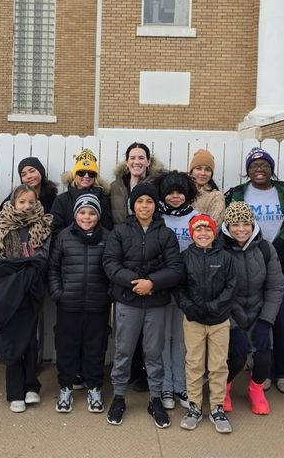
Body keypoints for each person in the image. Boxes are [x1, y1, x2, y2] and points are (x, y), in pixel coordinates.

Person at [224, 147, 284, 394]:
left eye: (264, 165)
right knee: (255, 321)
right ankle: (263, 373)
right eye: (253, 166)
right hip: (249, 269)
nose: (259, 169)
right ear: (247, 171)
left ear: (272, 169)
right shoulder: (237, 195)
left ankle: (283, 372)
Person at [102, 182, 183, 429]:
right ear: (133, 204)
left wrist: (153, 283)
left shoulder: (165, 233)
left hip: (156, 302)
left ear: (155, 204)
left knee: (153, 352)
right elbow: (110, 262)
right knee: (124, 350)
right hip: (128, 300)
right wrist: (134, 282)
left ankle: (155, 399)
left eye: (149, 201)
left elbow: (176, 268)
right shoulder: (121, 232)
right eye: (140, 201)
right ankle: (118, 397)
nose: (144, 206)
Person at [0, 184, 52, 413]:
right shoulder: (2, 227)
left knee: (30, 340)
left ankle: (32, 385)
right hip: (8, 295)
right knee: (12, 342)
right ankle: (15, 391)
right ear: (13, 203)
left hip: (32, 293)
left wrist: (14, 267)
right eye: (22, 202)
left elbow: (41, 260)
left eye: (31, 202)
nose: (26, 206)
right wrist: (23, 266)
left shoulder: (43, 225)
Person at [48, 193, 111, 414]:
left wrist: (107, 295)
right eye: (82, 212)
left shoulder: (108, 237)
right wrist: (58, 293)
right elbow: (53, 268)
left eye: (92, 213)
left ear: (98, 216)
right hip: (69, 305)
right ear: (75, 215)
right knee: (67, 347)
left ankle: (94, 387)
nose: (87, 217)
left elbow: (113, 269)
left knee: (95, 348)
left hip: (97, 305)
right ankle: (65, 388)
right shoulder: (64, 237)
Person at [219, 201, 284, 416]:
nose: (240, 229)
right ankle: (224, 389)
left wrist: (266, 321)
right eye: (235, 224)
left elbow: (275, 286)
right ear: (227, 226)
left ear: (253, 224)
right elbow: (215, 292)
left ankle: (255, 389)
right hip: (230, 313)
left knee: (264, 356)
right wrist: (233, 326)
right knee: (236, 357)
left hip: (258, 311)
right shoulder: (219, 249)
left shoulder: (265, 248)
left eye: (245, 223)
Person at [175, 214, 236, 434]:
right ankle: (194, 406)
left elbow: (231, 285)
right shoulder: (184, 257)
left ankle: (217, 407)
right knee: (194, 362)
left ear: (214, 232)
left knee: (218, 364)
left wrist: (214, 306)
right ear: (192, 233)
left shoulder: (226, 257)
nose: (203, 234)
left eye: (207, 230)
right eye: (198, 230)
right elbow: (179, 287)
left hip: (219, 320)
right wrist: (189, 306)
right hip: (193, 320)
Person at [154, 171, 197, 410]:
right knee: (163, 337)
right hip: (162, 286)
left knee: (182, 339)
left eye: (180, 192)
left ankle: (181, 384)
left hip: (187, 288)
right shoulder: (157, 217)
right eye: (170, 192)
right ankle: (165, 385)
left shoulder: (197, 218)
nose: (175, 196)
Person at [51, 149, 113, 234]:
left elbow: (107, 227)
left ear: (95, 177)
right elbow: (56, 229)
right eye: (81, 172)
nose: (86, 176)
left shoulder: (103, 199)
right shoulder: (62, 200)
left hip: (96, 245)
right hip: (68, 246)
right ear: (75, 175)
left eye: (91, 173)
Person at [109, 142, 165, 226]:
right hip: (120, 237)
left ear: (148, 162)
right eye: (132, 158)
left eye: (141, 158)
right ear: (127, 162)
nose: (136, 162)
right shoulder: (114, 187)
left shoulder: (158, 185)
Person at [188, 149, 225, 226]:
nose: (203, 173)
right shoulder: (181, 193)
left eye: (207, 170)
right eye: (198, 168)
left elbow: (214, 226)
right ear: (191, 171)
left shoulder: (216, 196)